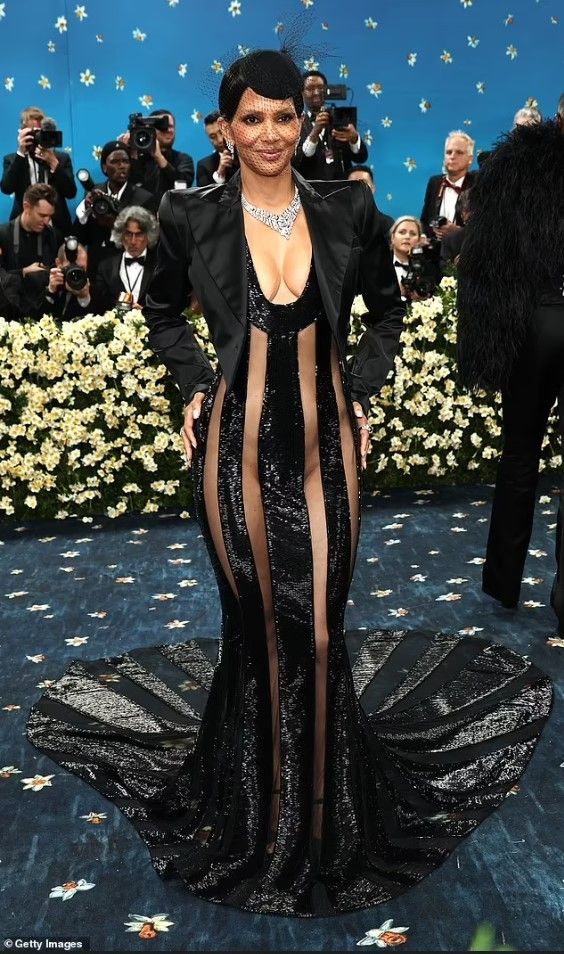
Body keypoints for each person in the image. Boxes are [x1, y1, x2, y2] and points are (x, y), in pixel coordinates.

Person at [27, 49, 551, 918]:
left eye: (282, 116)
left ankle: (320, 814)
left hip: (325, 449)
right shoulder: (188, 213)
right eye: (251, 118)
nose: (269, 132)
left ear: (300, 122)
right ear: (225, 129)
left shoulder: (349, 206)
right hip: (232, 452)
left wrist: (362, 390)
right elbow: (162, 310)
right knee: (259, 627)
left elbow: (388, 311)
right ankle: (252, 808)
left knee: (320, 631)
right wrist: (194, 385)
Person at [458, 95, 564, 634]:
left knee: (520, 454)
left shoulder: (517, 163)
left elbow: (485, 255)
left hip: (533, 323)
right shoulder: (520, 162)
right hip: (540, 316)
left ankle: (503, 582)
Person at [73, 141, 157, 281]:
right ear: (104, 167)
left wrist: (113, 223)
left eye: (125, 161)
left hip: (129, 273)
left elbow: (149, 242)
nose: (122, 166)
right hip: (96, 270)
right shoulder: (94, 194)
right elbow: (80, 237)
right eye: (115, 162)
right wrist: (85, 210)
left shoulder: (144, 198)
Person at [1, 106, 76, 234]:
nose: (37, 137)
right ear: (22, 133)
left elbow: (71, 193)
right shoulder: (13, 159)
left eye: (40, 132)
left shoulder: (61, 158)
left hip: (56, 227)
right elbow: (6, 188)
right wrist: (21, 153)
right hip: (24, 226)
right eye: (32, 133)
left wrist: (54, 164)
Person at [295, 69, 369, 180]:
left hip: (343, 187)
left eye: (320, 88)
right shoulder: (296, 123)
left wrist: (354, 139)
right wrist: (315, 132)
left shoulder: (341, 118)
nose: (316, 92)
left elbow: (360, 158)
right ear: (302, 93)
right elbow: (299, 162)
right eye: (310, 89)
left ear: (327, 90)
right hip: (311, 188)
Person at [0, 182, 58, 317]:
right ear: (26, 207)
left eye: (50, 216)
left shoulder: (51, 235)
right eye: (42, 215)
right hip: (9, 312)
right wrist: (23, 272)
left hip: (42, 312)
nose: (46, 221)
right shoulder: (3, 234)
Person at [93, 206, 159, 313]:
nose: (133, 241)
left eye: (139, 234)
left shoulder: (159, 266)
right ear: (121, 235)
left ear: (148, 235)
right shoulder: (106, 267)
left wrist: (146, 313)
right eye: (128, 234)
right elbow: (99, 305)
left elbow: (167, 303)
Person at [420, 131, 476, 253]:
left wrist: (459, 232)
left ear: (470, 159)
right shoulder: (434, 182)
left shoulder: (478, 184)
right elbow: (425, 220)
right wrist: (429, 233)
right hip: (435, 254)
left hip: (466, 253)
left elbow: (487, 227)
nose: (452, 156)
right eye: (449, 152)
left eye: (459, 152)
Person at [128, 109, 195, 203]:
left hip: (172, 210)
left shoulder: (183, 159)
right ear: (150, 129)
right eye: (164, 126)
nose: (169, 130)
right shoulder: (138, 158)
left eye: (172, 127)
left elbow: (183, 186)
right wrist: (126, 152)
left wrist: (159, 157)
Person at [42, 239, 93, 321]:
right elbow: (34, 320)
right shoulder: (43, 280)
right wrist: (50, 291)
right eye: (72, 267)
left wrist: (84, 297)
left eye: (82, 268)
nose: (76, 272)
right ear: (58, 263)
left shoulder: (93, 286)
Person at [347, 165, 394, 233]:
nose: (358, 187)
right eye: (353, 183)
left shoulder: (387, 223)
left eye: (363, 182)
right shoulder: (337, 222)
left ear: (373, 188)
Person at [196, 110, 236, 186]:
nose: (220, 140)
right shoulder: (204, 166)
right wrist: (219, 174)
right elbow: (204, 193)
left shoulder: (247, 154)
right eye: (212, 137)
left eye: (221, 132)